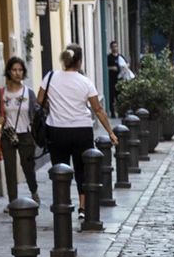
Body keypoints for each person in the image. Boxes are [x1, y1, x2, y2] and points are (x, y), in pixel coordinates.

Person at [36, 44, 117, 208]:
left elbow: (39, 100)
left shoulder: (50, 77)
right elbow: (98, 109)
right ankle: (82, 206)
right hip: (82, 131)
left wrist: (54, 107)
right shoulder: (85, 82)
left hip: (57, 130)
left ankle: (62, 203)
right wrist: (110, 132)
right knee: (82, 169)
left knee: (59, 169)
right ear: (79, 62)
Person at [0, 56, 39, 204]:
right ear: (8, 72)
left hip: (25, 135)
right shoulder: (1, 93)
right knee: (10, 169)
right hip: (8, 135)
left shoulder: (29, 93)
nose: (17, 73)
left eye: (20, 70)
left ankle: (34, 191)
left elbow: (36, 113)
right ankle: (13, 201)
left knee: (28, 167)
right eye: (14, 70)